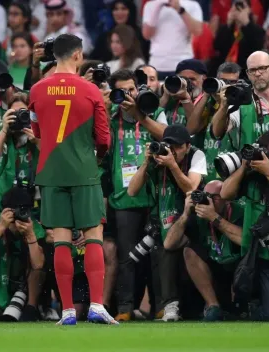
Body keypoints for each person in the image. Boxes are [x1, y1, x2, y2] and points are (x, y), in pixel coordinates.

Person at [29, 33, 115, 325]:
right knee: (93, 236)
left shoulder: (37, 91)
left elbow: (38, 134)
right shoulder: (90, 91)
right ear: (78, 55)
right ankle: (96, 306)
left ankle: (67, 311)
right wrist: (96, 157)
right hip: (84, 170)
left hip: (52, 173)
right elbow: (103, 139)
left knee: (61, 239)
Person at [128, 124, 207, 321]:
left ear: (187, 146)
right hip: (166, 217)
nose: (172, 150)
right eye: (169, 145)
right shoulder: (157, 158)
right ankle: (168, 305)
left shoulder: (196, 155)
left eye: (178, 147)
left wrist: (172, 165)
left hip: (195, 216)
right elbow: (132, 191)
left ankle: (191, 303)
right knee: (163, 249)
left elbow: (191, 187)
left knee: (171, 247)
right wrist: (146, 162)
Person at [105, 69, 167, 321]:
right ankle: (125, 308)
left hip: (155, 195)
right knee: (125, 255)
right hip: (123, 197)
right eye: (122, 91)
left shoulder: (154, 111)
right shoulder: (109, 117)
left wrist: (138, 114)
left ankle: (160, 305)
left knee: (157, 253)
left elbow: (166, 135)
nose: (128, 95)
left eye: (131, 89)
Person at [221, 128, 269, 321]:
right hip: (267, 260)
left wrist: (268, 171)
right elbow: (225, 194)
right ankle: (259, 308)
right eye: (268, 153)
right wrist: (244, 167)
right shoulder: (254, 176)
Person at [164, 181, 243, 321]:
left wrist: (214, 217)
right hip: (212, 270)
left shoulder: (240, 210)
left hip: (238, 268)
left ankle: (245, 305)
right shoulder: (197, 212)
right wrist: (185, 215)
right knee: (189, 252)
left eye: (215, 197)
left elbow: (244, 240)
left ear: (227, 199)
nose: (209, 200)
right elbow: (169, 244)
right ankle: (213, 306)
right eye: (206, 195)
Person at [0, 186, 46, 322]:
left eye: (25, 209)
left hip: (29, 280)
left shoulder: (35, 227)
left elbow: (38, 265)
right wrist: (1, 227)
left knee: (40, 268)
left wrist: (30, 235)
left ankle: (32, 307)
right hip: (2, 280)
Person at [212, 51, 269, 150]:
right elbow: (217, 133)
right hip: (250, 163)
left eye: (262, 68)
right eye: (252, 70)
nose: (257, 74)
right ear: (247, 74)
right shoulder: (241, 101)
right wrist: (224, 107)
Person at [0, 92, 40, 216]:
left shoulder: (39, 131)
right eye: (14, 113)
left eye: (23, 112)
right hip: (2, 198)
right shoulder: (2, 132)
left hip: (32, 199)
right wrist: (5, 129)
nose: (19, 117)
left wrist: (37, 141)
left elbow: (53, 160)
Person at [187, 62, 241, 180]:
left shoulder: (241, 106)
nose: (226, 86)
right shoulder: (209, 103)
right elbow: (191, 129)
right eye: (223, 81)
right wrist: (206, 94)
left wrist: (224, 103)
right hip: (208, 170)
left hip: (230, 169)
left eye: (232, 83)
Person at [142, 0, 203, 80]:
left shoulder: (192, 5)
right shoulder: (150, 5)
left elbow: (197, 31)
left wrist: (180, 10)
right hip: (156, 65)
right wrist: (157, 9)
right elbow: (146, 35)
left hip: (183, 65)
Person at [209, 0, 264, 76]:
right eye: (235, 7)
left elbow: (256, 47)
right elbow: (217, 46)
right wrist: (228, 24)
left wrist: (246, 23)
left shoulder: (257, 30)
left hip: (245, 70)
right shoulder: (225, 29)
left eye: (242, 6)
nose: (238, 10)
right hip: (224, 68)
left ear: (249, 10)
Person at [157, 59, 207, 127]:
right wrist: (165, 97)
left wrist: (185, 99)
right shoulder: (170, 98)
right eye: (183, 79)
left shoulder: (207, 101)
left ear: (204, 80)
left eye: (192, 79)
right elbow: (152, 117)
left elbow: (195, 129)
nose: (187, 83)